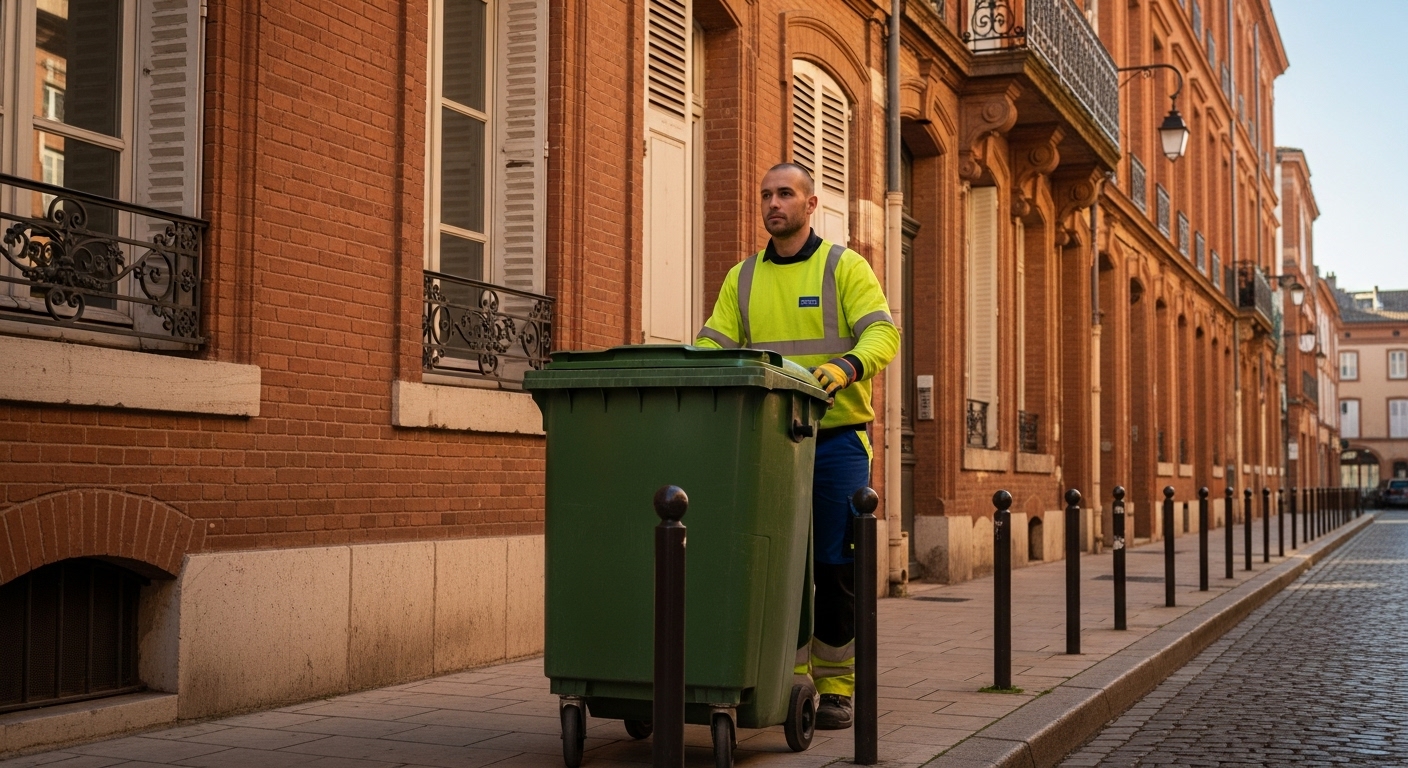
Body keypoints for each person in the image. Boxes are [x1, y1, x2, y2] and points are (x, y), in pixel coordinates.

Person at [694, 162, 898, 730]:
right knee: (774, 564)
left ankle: (836, 688)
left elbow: (883, 332)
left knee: (834, 565)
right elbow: (711, 344)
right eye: (766, 195)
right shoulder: (743, 278)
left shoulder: (844, 266)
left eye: (785, 194)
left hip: (836, 440)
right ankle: (780, 675)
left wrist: (846, 366)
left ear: (811, 206)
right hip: (766, 442)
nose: (772, 203)